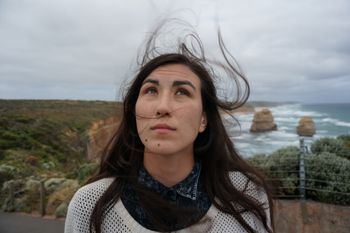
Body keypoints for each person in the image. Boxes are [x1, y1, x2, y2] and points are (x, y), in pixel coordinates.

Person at [65, 21, 274, 233]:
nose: (163, 107)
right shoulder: (90, 205)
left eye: (182, 92)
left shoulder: (246, 194)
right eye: (150, 91)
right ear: (134, 112)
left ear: (204, 119)